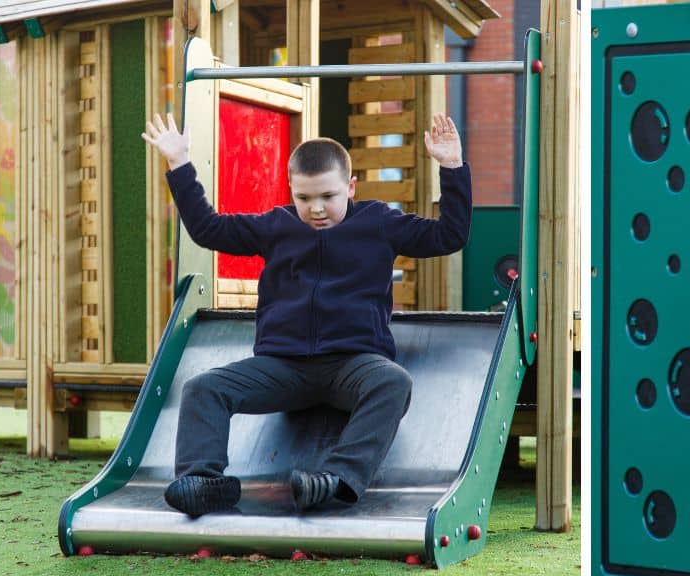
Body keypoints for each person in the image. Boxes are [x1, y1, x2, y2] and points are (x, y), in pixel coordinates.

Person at [141, 112, 470, 516]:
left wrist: (451, 166)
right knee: (203, 388)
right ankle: (204, 480)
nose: (316, 209)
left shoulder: (379, 223)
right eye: (304, 198)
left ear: (351, 188)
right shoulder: (275, 226)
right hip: (283, 367)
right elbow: (208, 229)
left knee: (393, 382)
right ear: (291, 191)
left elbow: (449, 236)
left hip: (353, 364)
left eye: (328, 197)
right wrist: (179, 163)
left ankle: (338, 480)